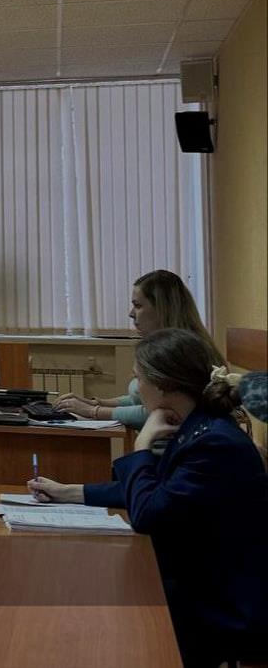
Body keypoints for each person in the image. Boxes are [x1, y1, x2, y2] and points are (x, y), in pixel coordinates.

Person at [30, 329, 268, 666]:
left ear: (164, 385)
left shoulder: (214, 442)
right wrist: (68, 492)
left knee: (96, 612)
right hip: (201, 582)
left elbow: (149, 513)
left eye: (138, 378)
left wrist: (142, 447)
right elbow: (159, 490)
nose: (135, 387)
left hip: (221, 606)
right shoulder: (197, 426)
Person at [54, 270, 223, 429]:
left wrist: (94, 412)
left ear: (162, 309)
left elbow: (162, 412)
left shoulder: (182, 351)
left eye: (138, 305)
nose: (131, 313)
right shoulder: (161, 347)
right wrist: (97, 403)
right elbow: (141, 399)